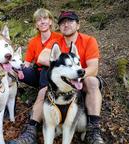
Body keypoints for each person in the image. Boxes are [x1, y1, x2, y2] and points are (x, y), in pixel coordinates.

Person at [38, 11, 105, 144]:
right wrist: (59, 64)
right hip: (63, 82)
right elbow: (41, 58)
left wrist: (76, 75)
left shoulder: (89, 40)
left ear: (78, 25)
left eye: (70, 21)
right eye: (62, 22)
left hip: (83, 79)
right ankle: (32, 126)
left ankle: (93, 129)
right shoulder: (56, 42)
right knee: (43, 89)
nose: (66, 24)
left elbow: (93, 68)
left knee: (91, 81)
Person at [7, 8, 62, 144]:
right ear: (36, 24)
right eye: (39, 20)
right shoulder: (33, 42)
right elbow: (26, 63)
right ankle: (7, 100)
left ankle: (32, 126)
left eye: (45, 19)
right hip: (38, 75)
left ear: (50, 21)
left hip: (53, 75)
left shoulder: (59, 38)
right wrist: (14, 68)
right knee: (18, 71)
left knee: (45, 68)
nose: (42, 22)